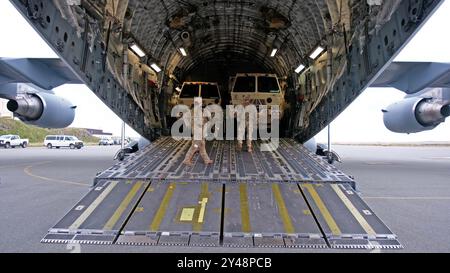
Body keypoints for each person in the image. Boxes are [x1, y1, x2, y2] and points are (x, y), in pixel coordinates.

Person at [183, 97, 213, 165]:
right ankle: (186, 159)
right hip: (197, 133)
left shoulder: (201, 111)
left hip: (200, 132)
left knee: (202, 146)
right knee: (195, 146)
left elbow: (206, 120)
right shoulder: (193, 112)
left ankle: (206, 160)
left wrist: (206, 119)